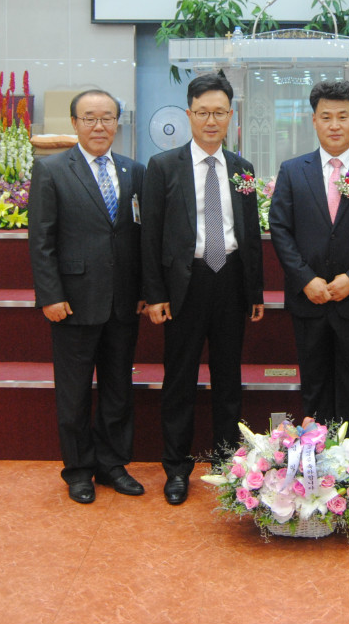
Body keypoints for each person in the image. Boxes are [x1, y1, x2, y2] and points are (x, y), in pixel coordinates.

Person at [141, 73, 265, 505]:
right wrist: (155, 294)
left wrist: (255, 291)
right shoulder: (162, 167)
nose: (211, 121)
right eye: (202, 112)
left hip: (229, 278)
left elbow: (250, 233)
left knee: (229, 378)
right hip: (184, 284)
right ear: (189, 114)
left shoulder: (243, 169)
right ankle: (176, 469)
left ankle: (228, 465)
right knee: (180, 379)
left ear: (231, 116)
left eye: (219, 112)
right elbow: (149, 235)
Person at [28, 89, 146, 504]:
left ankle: (112, 464)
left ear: (118, 122)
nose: (100, 126)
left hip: (123, 302)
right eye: (90, 118)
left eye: (107, 118)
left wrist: (144, 291)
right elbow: (41, 239)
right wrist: (50, 295)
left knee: (118, 389)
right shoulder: (52, 169)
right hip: (73, 301)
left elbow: (140, 237)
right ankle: (78, 470)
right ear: (75, 123)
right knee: (74, 392)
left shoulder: (134, 170)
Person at [268, 79, 349, 440]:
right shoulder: (293, 170)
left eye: (343, 116)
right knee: (314, 386)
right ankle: (316, 460)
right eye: (326, 117)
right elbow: (280, 229)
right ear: (314, 121)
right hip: (309, 300)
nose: (335, 125)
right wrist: (305, 279)